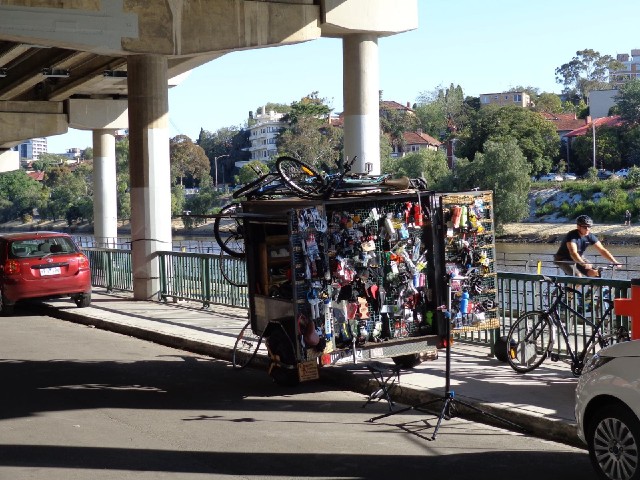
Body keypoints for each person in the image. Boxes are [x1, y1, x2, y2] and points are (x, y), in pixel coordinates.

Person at [553, 215, 622, 277]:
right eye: (585, 227)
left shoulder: (590, 236)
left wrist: (614, 261)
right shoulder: (572, 236)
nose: (587, 229)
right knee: (578, 277)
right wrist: (583, 264)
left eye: (589, 226)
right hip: (563, 259)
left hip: (579, 258)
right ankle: (569, 291)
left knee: (595, 273)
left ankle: (592, 290)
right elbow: (573, 253)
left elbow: (602, 250)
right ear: (578, 227)